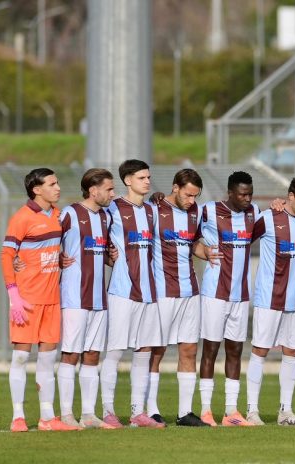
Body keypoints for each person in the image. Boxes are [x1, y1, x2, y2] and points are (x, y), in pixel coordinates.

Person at [2, 168, 78, 432]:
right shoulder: (21, 218)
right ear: (37, 190)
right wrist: (14, 294)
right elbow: (6, 255)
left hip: (52, 300)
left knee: (47, 360)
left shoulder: (58, 215)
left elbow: (49, 250)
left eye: (57, 183)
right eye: (52, 184)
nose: (58, 188)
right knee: (21, 358)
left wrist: (59, 259)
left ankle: (48, 417)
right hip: (27, 301)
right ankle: (18, 417)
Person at [245, 175, 295, 426]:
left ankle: (285, 411)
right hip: (269, 297)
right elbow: (243, 242)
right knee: (260, 350)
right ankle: (252, 411)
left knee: (292, 352)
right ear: (290, 197)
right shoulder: (268, 218)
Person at [147, 169, 216, 427]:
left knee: (189, 349)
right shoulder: (154, 209)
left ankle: (185, 412)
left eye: (195, 196)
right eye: (188, 195)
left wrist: (206, 252)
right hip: (162, 291)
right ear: (175, 187)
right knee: (157, 350)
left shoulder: (195, 211)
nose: (191, 200)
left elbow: (193, 243)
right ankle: (151, 410)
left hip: (190, 291)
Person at [99, 159, 164, 429]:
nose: (147, 182)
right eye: (141, 178)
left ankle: (138, 412)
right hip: (122, 291)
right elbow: (96, 240)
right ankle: (108, 411)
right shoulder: (112, 208)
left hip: (148, 292)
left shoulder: (151, 210)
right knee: (115, 351)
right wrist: (108, 256)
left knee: (144, 351)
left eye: (148, 177)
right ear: (127, 180)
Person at [56, 168, 118, 430]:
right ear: (93, 191)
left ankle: (89, 415)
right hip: (74, 296)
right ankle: (66, 414)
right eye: (109, 189)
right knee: (70, 354)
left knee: (92, 355)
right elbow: (49, 242)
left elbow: (102, 252)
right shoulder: (69, 214)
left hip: (98, 297)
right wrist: (57, 257)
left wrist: (111, 257)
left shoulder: (106, 216)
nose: (112, 194)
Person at [198, 171, 259, 426]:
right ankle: (205, 410)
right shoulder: (208, 211)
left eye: (250, 194)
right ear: (230, 193)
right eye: (242, 194)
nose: (247, 199)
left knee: (235, 350)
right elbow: (187, 236)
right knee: (211, 349)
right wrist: (203, 251)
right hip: (215, 293)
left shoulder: (253, 212)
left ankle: (231, 412)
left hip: (241, 294)